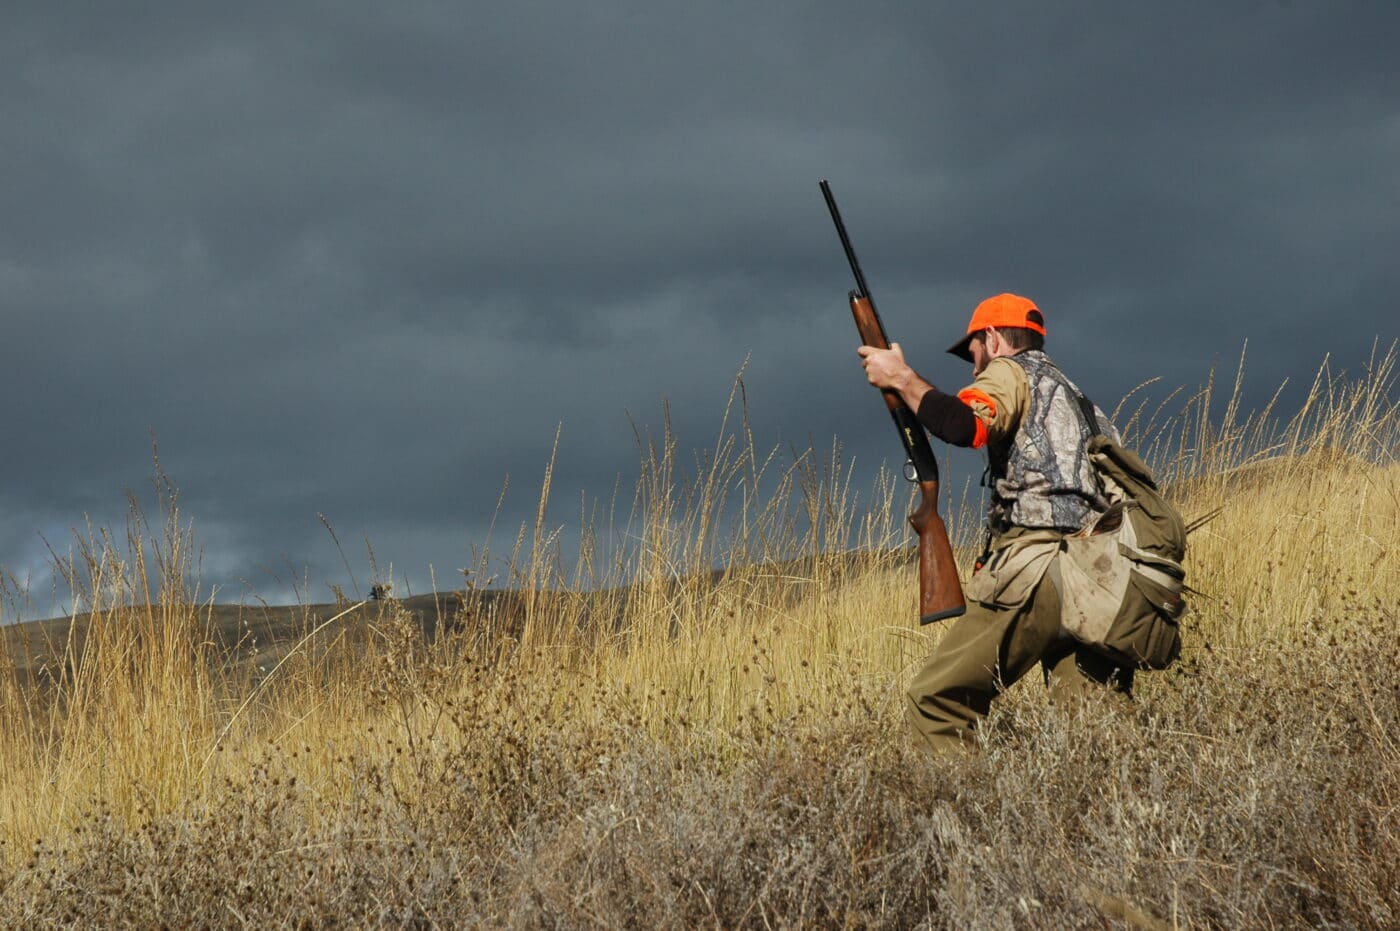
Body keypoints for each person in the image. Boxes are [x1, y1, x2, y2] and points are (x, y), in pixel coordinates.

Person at [858, 293, 1132, 754]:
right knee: (1095, 736)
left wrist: (900, 378)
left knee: (936, 705)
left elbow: (967, 426)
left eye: (974, 355)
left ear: (994, 340)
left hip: (1038, 571)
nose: (973, 369)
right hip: (1100, 584)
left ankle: (964, 824)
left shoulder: (1010, 372)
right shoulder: (1083, 404)